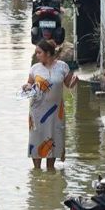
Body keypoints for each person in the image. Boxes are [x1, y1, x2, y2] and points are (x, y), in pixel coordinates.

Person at [22, 39, 78, 170]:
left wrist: (74, 82)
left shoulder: (62, 66)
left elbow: (68, 84)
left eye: (39, 52)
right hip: (37, 111)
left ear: (47, 53)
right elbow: (29, 84)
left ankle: (50, 170)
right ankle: (37, 172)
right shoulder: (35, 68)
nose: (37, 55)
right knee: (37, 139)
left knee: (52, 138)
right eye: (36, 52)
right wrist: (26, 86)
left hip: (56, 112)